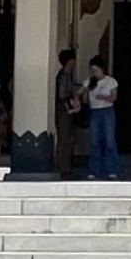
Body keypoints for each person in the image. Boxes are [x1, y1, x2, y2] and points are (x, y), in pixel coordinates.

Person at [85, 55, 120, 179]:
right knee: (95, 142)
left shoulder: (111, 81)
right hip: (95, 112)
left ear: (102, 69)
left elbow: (114, 98)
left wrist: (103, 98)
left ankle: (112, 169)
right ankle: (93, 170)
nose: (94, 73)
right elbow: (79, 91)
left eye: (96, 71)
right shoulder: (90, 82)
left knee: (109, 141)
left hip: (107, 111)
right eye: (92, 71)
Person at [54, 48, 80, 178]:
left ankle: (66, 167)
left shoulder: (67, 75)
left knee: (70, 138)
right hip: (63, 111)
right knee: (64, 139)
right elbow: (62, 94)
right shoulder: (63, 76)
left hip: (68, 111)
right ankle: (62, 168)